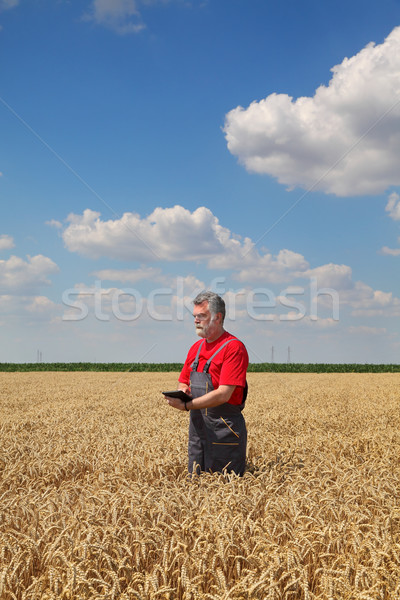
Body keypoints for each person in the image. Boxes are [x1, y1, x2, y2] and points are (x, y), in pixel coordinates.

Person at [165, 291, 248, 476]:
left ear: (217, 318)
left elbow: (223, 394)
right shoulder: (196, 348)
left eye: (201, 316)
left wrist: (187, 405)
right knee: (196, 486)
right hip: (198, 430)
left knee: (226, 491)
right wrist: (183, 391)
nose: (196, 321)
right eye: (195, 316)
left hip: (224, 431)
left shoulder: (233, 347)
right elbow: (182, 381)